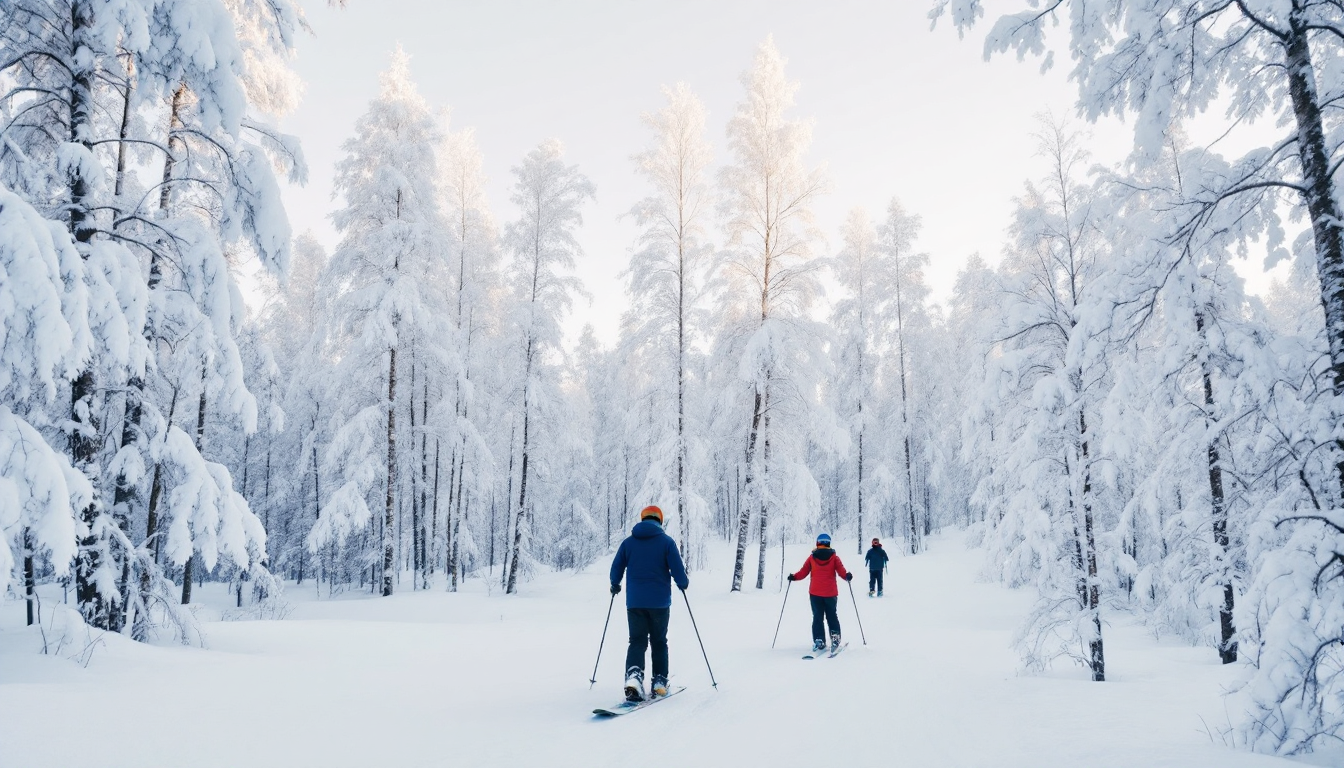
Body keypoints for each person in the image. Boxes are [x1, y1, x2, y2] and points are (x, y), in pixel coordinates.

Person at [610, 505, 689, 702]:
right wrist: (683, 583)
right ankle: (659, 682)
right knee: (659, 641)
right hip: (660, 604)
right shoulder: (667, 543)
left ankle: (634, 678)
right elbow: (678, 570)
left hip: (635, 603)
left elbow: (617, 566)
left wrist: (615, 584)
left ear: (642, 519)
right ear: (659, 521)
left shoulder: (628, 543)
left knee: (637, 641)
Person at [787, 533, 851, 652]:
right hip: (830, 594)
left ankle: (819, 640)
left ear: (818, 543)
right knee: (832, 615)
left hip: (815, 594)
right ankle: (835, 638)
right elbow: (842, 572)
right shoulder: (834, 558)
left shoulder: (812, 558)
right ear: (828, 543)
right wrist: (847, 576)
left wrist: (793, 577)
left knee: (817, 617)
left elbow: (803, 572)